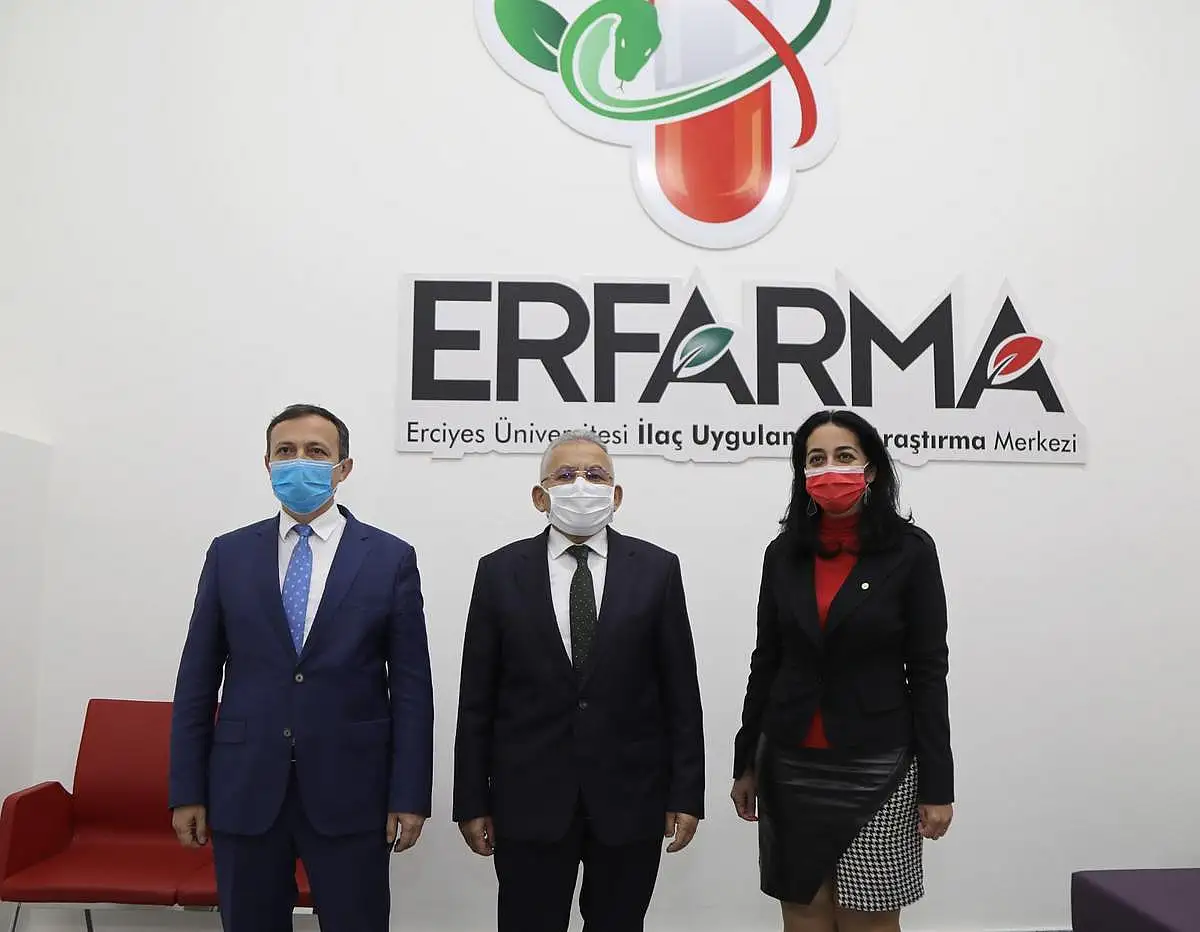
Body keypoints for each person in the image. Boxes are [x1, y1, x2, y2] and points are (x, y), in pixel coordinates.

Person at [169, 404, 434, 932]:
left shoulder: (389, 558)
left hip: (352, 789)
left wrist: (409, 795)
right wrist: (187, 789)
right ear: (267, 463)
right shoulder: (229, 554)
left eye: (316, 452)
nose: (299, 462)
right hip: (245, 785)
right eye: (285, 452)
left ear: (344, 467)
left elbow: (410, 689)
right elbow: (196, 681)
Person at [453, 429, 705, 932]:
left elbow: (680, 693)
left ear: (616, 494)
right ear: (539, 496)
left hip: (630, 797)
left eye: (595, 475)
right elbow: (477, 698)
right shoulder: (499, 572)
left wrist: (685, 794)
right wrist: (471, 800)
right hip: (529, 799)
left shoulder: (657, 569)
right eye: (565, 475)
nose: (581, 485)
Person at [731, 410, 954, 932]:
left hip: (879, 764)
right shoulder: (782, 553)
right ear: (802, 473)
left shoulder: (910, 551)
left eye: (844, 456)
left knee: (868, 918)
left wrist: (937, 783)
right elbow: (766, 660)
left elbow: (928, 671)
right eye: (816, 458)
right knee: (803, 912)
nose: (830, 468)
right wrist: (745, 762)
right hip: (789, 761)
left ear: (870, 469)